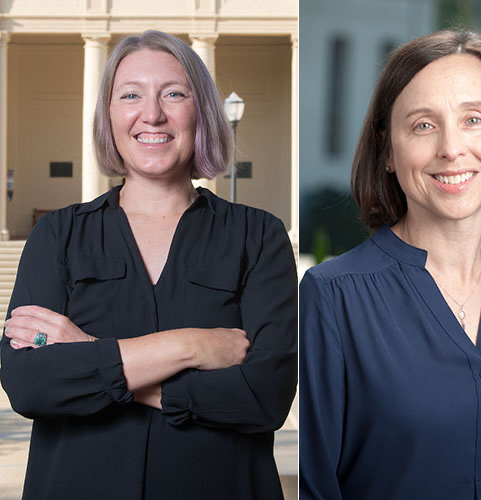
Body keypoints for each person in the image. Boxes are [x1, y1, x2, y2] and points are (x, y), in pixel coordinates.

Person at [0, 30, 297, 499]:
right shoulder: (57, 235)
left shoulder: (259, 236)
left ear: (201, 113)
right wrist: (190, 346)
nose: (152, 113)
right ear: (110, 115)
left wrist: (88, 351)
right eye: (131, 94)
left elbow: (265, 396)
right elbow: (30, 384)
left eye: (174, 94)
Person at [300, 30, 481, 499]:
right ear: (387, 150)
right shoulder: (332, 296)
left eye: (472, 119)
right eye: (423, 125)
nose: (451, 147)